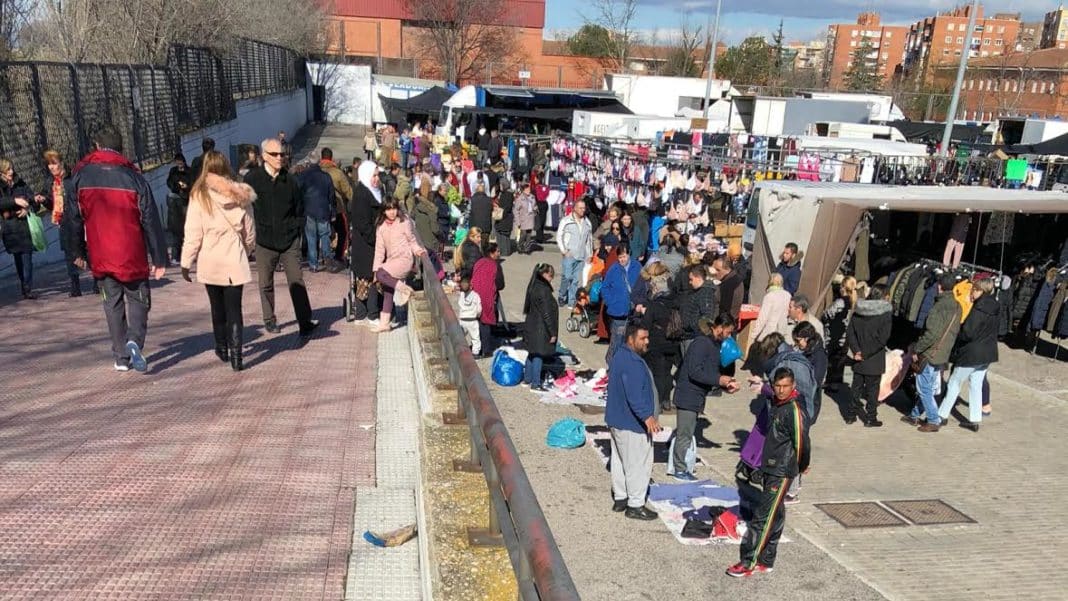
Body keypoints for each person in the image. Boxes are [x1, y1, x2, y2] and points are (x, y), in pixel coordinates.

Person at [63, 125, 168, 372]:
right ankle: (135, 340)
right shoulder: (134, 178)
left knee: (111, 303)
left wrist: (77, 252)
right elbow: (150, 219)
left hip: (100, 253)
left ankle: (121, 356)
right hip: (131, 253)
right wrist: (159, 257)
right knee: (139, 299)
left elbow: (73, 219)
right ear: (121, 148)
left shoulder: (80, 176)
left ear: (97, 147)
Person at [728, 367, 810, 578]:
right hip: (770, 466)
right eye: (778, 386)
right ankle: (767, 559)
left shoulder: (794, 410)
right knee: (777, 513)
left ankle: (748, 562)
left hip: (781, 470)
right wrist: (761, 385)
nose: (781, 390)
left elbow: (802, 443)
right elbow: (767, 392)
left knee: (762, 517)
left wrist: (801, 466)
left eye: (786, 387)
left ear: (793, 387)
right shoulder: (776, 401)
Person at [179, 150, 256, 372]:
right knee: (235, 309)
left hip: (210, 260)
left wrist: (186, 263)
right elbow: (250, 231)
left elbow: (193, 234)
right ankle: (237, 357)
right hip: (234, 259)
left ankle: (221, 346)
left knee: (217, 308)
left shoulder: (199, 196)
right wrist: (247, 249)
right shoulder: (241, 194)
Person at [244, 137, 318, 337]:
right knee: (265, 283)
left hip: (289, 240)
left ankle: (305, 321)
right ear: (264, 156)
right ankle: (269, 319)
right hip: (264, 241)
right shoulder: (252, 179)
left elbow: (299, 209)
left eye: (282, 154)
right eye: (274, 154)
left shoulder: (291, 180)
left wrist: (295, 229)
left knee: (296, 280)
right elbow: (245, 208)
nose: (280, 158)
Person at [671, 315, 739, 480]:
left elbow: (709, 373)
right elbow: (695, 372)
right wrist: (719, 380)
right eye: (728, 332)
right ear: (720, 327)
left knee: (686, 433)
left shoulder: (715, 345)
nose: (729, 336)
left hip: (696, 396)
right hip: (688, 395)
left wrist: (723, 384)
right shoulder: (701, 343)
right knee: (684, 434)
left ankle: (681, 465)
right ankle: (679, 469)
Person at [606, 323, 662, 520]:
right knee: (638, 464)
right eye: (642, 338)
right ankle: (635, 504)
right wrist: (647, 417)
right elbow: (634, 395)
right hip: (632, 423)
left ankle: (620, 498)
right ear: (631, 339)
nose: (647, 341)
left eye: (647, 337)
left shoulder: (619, 356)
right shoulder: (633, 363)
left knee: (620, 461)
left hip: (616, 419)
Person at [938, 277, 999, 432]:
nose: (971, 293)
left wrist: (958, 332)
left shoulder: (979, 308)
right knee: (976, 385)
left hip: (972, 353)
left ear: (980, 290)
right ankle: (974, 419)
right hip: (988, 352)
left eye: (973, 290)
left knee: (954, 382)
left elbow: (968, 332)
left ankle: (942, 415)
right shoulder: (995, 306)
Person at [904, 274, 960, 432]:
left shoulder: (938, 307)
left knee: (924, 389)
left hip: (930, 354)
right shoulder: (957, 306)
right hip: (942, 354)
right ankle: (914, 415)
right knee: (928, 387)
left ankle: (934, 420)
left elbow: (931, 334)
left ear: (939, 287)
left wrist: (917, 348)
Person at [371, 198, 425, 332]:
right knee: (387, 290)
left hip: (405, 259)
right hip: (391, 261)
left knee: (381, 274)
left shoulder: (403, 221)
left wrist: (417, 249)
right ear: (384, 211)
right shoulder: (381, 227)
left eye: (394, 208)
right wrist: (375, 270)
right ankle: (384, 323)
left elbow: (411, 239)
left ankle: (405, 289)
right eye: (388, 209)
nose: (392, 212)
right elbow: (379, 250)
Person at [845, 284, 892, 427]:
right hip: (874, 357)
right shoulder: (885, 313)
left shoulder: (859, 310)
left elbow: (850, 333)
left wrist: (856, 351)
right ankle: (871, 417)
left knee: (856, 387)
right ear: (884, 296)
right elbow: (882, 339)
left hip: (858, 357)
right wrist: (865, 353)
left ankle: (851, 415)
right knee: (872, 389)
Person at [640, 271, 681, 414]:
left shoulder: (654, 305)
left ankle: (658, 402)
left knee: (657, 374)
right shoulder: (676, 303)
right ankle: (666, 400)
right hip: (673, 342)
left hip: (656, 343)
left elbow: (645, 325)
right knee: (667, 372)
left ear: (656, 288)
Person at [0, 158, 41, 299]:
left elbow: (31, 198)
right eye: (8, 170)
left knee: (27, 257)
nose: (11, 171)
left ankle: (28, 287)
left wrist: (28, 208)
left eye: (12, 168)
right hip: (10, 228)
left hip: (25, 226)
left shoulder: (20, 182)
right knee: (18, 258)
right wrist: (14, 201)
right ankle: (24, 284)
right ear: (2, 173)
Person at [349, 160, 382, 324]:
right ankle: (368, 314)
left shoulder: (375, 191)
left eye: (377, 175)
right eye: (374, 175)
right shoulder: (362, 194)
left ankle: (368, 313)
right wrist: (376, 240)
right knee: (367, 277)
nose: (376, 179)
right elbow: (362, 223)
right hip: (366, 245)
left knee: (372, 277)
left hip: (371, 243)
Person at [602, 244, 641, 366]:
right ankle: (611, 364)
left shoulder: (637, 267)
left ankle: (624, 366)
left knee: (630, 342)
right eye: (620, 257)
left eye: (624, 256)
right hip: (617, 311)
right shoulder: (614, 269)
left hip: (633, 311)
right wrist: (611, 302)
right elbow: (605, 287)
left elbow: (643, 286)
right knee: (617, 341)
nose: (622, 260)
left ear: (629, 255)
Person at [522, 263, 558, 391]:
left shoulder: (534, 285)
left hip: (531, 325)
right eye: (550, 275)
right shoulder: (543, 290)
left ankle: (527, 379)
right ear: (544, 275)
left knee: (531, 353)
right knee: (538, 355)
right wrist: (552, 332)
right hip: (540, 327)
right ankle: (536, 383)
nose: (551, 278)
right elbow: (547, 314)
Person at [299, 158, 337, 273]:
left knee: (311, 237)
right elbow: (332, 195)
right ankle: (327, 259)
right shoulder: (326, 176)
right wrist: (333, 211)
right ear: (319, 163)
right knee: (324, 235)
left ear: (309, 163)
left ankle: (313, 264)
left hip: (308, 209)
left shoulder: (303, 176)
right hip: (323, 210)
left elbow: (299, 192)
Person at [822, 275, 857, 391]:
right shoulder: (855, 302)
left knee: (831, 359)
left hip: (834, 334)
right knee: (840, 359)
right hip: (846, 335)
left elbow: (828, 315)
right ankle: (836, 382)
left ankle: (829, 382)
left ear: (843, 287)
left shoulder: (840, 302)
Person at [556, 200, 593, 307]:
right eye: (580, 208)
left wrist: (589, 254)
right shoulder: (566, 220)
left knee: (576, 280)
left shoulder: (587, 222)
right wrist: (564, 250)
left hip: (581, 255)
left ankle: (571, 301)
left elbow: (589, 239)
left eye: (584, 208)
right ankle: (562, 295)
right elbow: (559, 236)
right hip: (569, 254)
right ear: (575, 208)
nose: (583, 210)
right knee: (567, 277)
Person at [471, 242, 505, 355]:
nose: (499, 254)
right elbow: (500, 284)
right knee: (485, 323)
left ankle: (476, 346)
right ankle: (485, 350)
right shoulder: (495, 266)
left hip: (474, 295)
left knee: (476, 322)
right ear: (491, 253)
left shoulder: (478, 262)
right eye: (498, 251)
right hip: (487, 297)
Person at [319, 148, 353, 264]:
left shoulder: (317, 171)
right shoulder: (337, 173)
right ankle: (338, 255)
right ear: (331, 158)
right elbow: (348, 191)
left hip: (319, 208)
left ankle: (323, 255)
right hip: (337, 207)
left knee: (323, 233)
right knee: (343, 232)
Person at [680, 264, 719, 356]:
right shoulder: (698, 291)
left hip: (694, 336)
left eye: (691, 279)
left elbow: (707, 317)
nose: (689, 282)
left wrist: (691, 325)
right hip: (689, 334)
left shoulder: (705, 293)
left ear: (698, 278)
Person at [166, 153, 193, 264]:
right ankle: (176, 255)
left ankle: (187, 253)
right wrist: (177, 187)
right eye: (177, 162)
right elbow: (170, 182)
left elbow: (192, 182)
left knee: (186, 227)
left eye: (180, 161)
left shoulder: (189, 171)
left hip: (186, 199)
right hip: (176, 198)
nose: (179, 164)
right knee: (176, 229)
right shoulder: (173, 171)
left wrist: (186, 187)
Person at [751, 273, 792, 342]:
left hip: (770, 332)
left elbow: (763, 317)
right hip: (782, 331)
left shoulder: (770, 296)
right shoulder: (788, 295)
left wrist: (754, 335)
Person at [457, 275, 483, 356]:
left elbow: (459, 304)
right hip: (472, 320)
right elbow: (479, 309)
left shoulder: (461, 295)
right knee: (475, 338)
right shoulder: (476, 295)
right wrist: (478, 314)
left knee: (461, 337)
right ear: (470, 285)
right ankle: (475, 353)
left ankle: (461, 351)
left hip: (462, 320)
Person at [514, 181, 536, 253]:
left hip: (530, 218)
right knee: (523, 234)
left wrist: (536, 209)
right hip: (523, 219)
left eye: (529, 189)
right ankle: (520, 246)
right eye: (527, 189)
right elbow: (516, 210)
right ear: (523, 190)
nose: (529, 190)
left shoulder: (532, 197)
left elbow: (534, 206)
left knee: (529, 235)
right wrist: (518, 221)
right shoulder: (520, 198)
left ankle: (527, 248)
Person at [495, 178, 515, 256]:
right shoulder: (509, 193)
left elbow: (506, 207)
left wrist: (499, 209)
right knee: (506, 236)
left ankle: (503, 251)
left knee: (502, 234)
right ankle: (506, 251)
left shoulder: (505, 194)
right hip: (507, 217)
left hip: (504, 217)